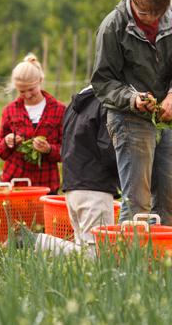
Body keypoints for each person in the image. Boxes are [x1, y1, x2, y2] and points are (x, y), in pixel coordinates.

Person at [91, 0, 172, 226]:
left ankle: (162, 259)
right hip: (128, 118)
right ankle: (131, 261)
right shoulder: (113, 27)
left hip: (163, 115)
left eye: (156, 12)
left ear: (166, 3)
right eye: (143, 11)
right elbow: (102, 81)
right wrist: (132, 99)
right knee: (138, 201)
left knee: (171, 199)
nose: (149, 17)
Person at [30, 85, 120, 255]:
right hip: (95, 188)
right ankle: (37, 241)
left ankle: (38, 241)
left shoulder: (76, 103)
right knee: (97, 256)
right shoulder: (105, 103)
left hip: (73, 188)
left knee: (84, 257)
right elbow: (109, 151)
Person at [0, 53, 65, 194]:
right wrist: (8, 142)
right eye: (22, 91)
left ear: (40, 80)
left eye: (31, 89)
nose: (27, 95)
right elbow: (0, 151)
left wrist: (48, 149)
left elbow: (67, 152)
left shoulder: (59, 110)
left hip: (46, 184)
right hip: (15, 183)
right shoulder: (10, 111)